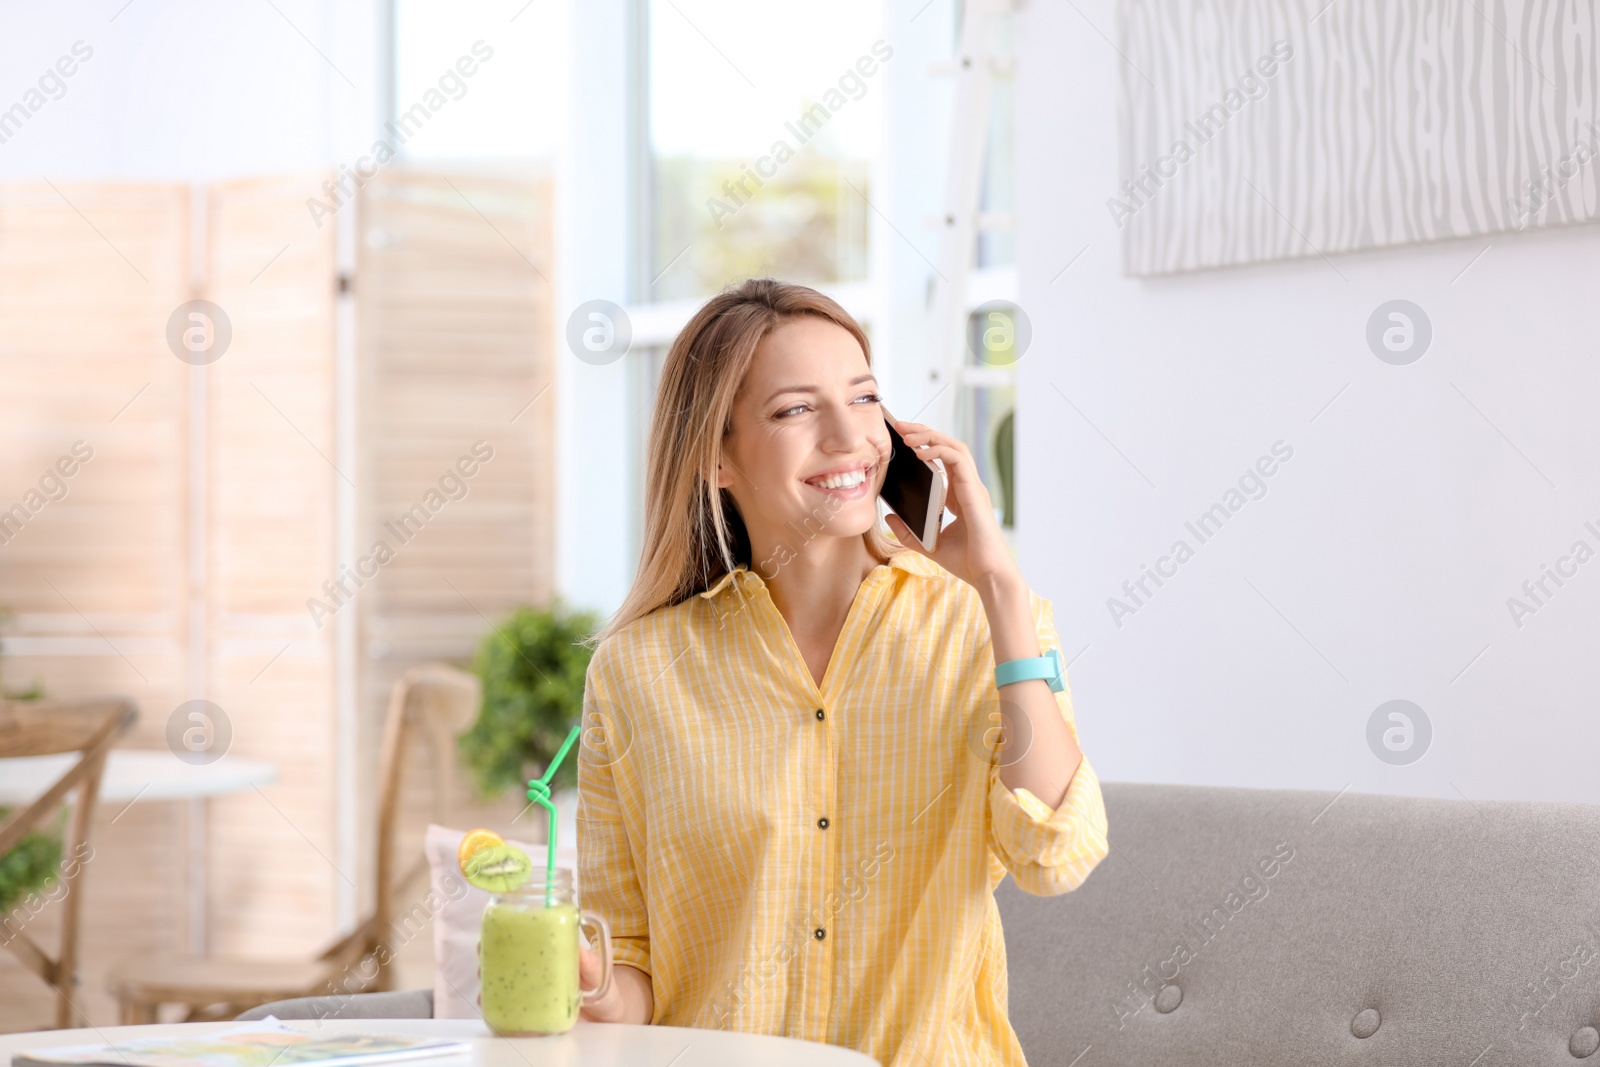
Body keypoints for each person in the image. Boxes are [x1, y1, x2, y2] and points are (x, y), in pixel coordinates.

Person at [572, 278, 1109, 1065]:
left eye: (863, 398)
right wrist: (584, 979)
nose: (850, 437)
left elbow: (1054, 853)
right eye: (795, 409)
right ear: (716, 457)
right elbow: (632, 975)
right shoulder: (637, 671)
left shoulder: (982, 624)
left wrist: (999, 587)